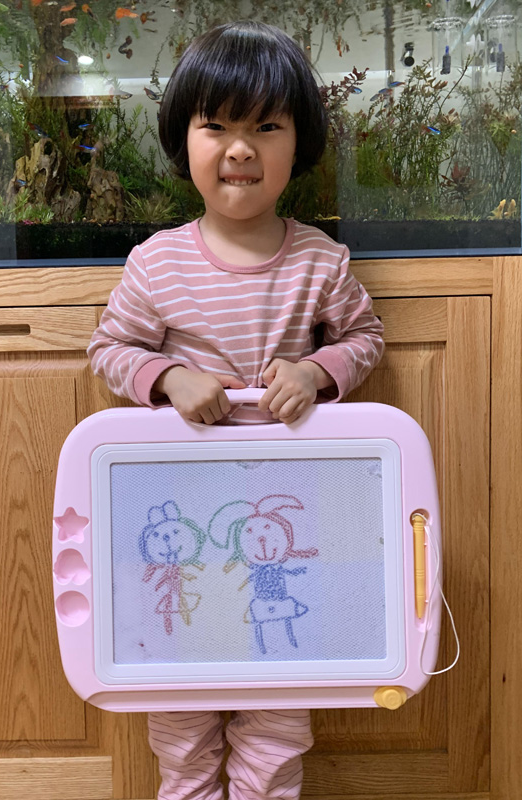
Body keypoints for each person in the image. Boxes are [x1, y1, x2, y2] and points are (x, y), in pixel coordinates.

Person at [88, 19, 384, 800]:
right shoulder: (156, 263)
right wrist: (166, 377)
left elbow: (364, 338)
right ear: (182, 139)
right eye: (216, 126)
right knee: (180, 717)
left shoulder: (321, 261)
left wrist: (315, 372)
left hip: (287, 531)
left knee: (280, 712)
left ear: (299, 143)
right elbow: (108, 347)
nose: (240, 148)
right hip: (178, 535)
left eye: (266, 127)